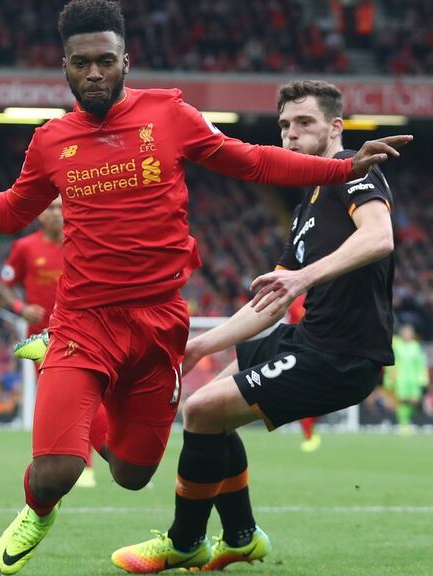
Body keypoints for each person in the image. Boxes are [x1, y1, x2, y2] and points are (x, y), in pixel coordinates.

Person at [0, 2, 408, 572]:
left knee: (134, 475)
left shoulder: (168, 113)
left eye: (105, 61)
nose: (94, 73)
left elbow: (253, 163)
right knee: (59, 470)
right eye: (81, 63)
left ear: (125, 63)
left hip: (160, 321)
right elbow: (10, 211)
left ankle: (203, 509)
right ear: (65, 68)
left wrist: (342, 168)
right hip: (84, 319)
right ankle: (39, 506)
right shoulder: (50, 141)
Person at [111, 79, 399, 573]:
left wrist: (303, 278)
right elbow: (271, 301)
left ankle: (184, 542)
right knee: (206, 414)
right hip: (307, 339)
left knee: (202, 410)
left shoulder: (353, 172)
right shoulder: (308, 203)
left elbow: (380, 238)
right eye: (284, 125)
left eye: (304, 122)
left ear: (336, 127)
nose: (290, 133)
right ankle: (242, 537)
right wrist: (201, 346)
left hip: (342, 356)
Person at [0, 197, 98, 488]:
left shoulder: (81, 242)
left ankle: (86, 465)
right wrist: (21, 308)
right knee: (55, 402)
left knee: (81, 396)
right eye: (49, 207)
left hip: (79, 334)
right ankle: (57, 464)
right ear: (39, 216)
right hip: (39, 340)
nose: (55, 212)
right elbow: (2, 286)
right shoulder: (25, 248)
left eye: (59, 207)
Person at [285, 294, 322, 452]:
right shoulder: (315, 296)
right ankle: (309, 436)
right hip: (306, 351)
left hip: (308, 350)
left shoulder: (296, 298)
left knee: (310, 398)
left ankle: (309, 433)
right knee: (304, 398)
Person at [385, 323, 429, 435]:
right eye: (406, 332)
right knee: (402, 402)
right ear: (401, 333)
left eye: (410, 332)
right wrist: (390, 378)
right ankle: (403, 425)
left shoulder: (415, 346)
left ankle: (407, 421)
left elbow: (421, 363)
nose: (408, 334)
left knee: (414, 401)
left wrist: (423, 378)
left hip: (413, 379)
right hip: (400, 379)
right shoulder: (396, 344)